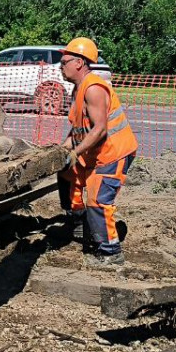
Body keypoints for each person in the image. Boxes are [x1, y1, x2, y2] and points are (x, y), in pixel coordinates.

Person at [59, 37, 139, 266]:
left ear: (79, 63)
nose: (60, 67)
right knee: (66, 176)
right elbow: (78, 128)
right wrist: (63, 148)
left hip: (113, 153)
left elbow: (100, 130)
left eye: (64, 62)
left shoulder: (94, 88)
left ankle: (110, 252)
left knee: (98, 200)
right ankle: (78, 223)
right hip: (93, 152)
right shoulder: (78, 88)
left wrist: (75, 153)